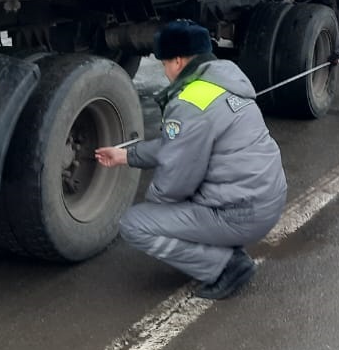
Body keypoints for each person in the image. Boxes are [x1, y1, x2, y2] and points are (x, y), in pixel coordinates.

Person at [95, 20, 286, 299]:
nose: (164, 71)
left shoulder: (189, 103)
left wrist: (162, 213)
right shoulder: (223, 80)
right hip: (265, 200)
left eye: (163, 63)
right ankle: (221, 244)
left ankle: (225, 266)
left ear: (178, 60)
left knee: (136, 224)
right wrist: (126, 155)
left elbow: (174, 182)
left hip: (241, 213)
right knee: (178, 204)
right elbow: (180, 144)